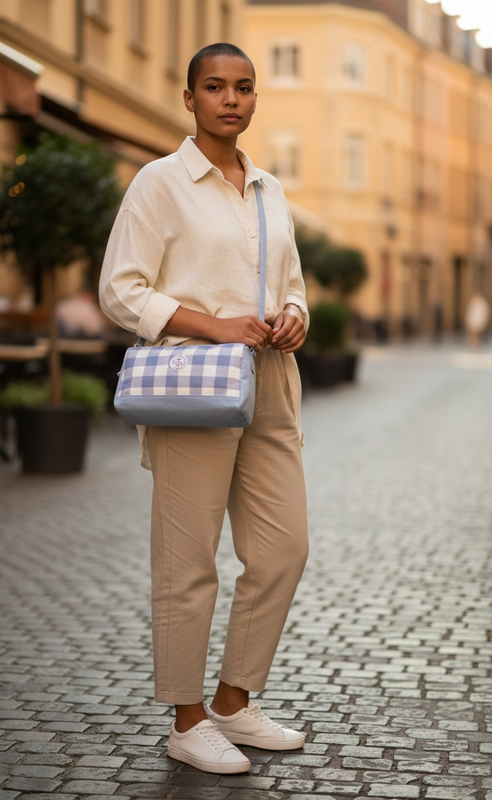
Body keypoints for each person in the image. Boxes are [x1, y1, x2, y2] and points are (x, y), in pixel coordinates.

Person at [99, 43, 310, 775]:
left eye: (243, 87)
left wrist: (294, 316)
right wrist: (212, 322)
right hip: (194, 388)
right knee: (188, 565)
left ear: (255, 98)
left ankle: (232, 700)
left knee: (283, 550)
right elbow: (120, 291)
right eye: (214, 87)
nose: (231, 99)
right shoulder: (160, 183)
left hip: (271, 386)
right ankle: (185, 720)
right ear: (189, 98)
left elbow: (292, 286)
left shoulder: (268, 189)